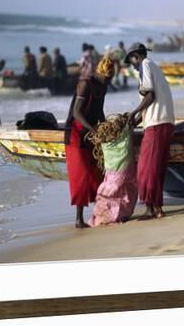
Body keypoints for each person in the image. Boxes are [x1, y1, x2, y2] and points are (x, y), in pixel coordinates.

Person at [124, 42, 175, 220]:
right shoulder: (154, 67)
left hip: (157, 124)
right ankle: (157, 208)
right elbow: (152, 101)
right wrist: (136, 120)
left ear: (136, 56)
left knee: (145, 168)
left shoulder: (145, 65)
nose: (132, 65)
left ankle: (150, 209)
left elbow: (150, 96)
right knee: (157, 167)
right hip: (165, 121)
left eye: (131, 61)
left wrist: (134, 112)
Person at [64, 56, 115, 228]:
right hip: (76, 134)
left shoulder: (103, 86)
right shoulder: (85, 84)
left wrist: (105, 128)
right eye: (106, 78)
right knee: (82, 175)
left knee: (97, 173)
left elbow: (99, 110)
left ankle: (99, 213)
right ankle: (78, 219)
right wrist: (92, 129)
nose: (108, 81)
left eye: (110, 79)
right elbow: (77, 112)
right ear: (100, 73)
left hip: (91, 134)